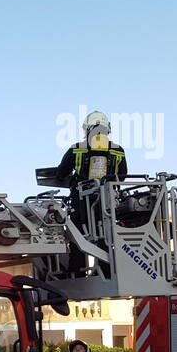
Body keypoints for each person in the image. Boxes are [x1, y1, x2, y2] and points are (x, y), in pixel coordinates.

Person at [56, 111, 127, 271]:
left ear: (87, 129)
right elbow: (122, 176)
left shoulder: (76, 149)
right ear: (107, 129)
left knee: (76, 235)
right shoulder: (118, 150)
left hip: (80, 202)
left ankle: (77, 272)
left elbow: (60, 173)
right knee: (106, 236)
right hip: (107, 203)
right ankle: (107, 270)